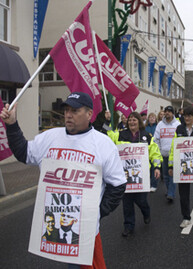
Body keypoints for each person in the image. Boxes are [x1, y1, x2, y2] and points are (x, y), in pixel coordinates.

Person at [1, 92, 127, 269]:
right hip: (55, 225)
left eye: (74, 110)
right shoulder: (50, 137)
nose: (68, 114)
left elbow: (118, 185)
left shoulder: (103, 144)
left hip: (85, 230)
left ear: (89, 114)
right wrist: (12, 125)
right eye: (67, 110)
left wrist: (97, 212)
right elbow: (23, 152)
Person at [116, 112, 162, 237]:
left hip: (142, 176)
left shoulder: (146, 136)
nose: (131, 122)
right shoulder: (120, 135)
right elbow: (110, 144)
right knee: (127, 203)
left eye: (134, 120)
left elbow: (155, 153)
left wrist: (157, 167)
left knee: (141, 200)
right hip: (125, 176)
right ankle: (128, 226)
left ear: (139, 122)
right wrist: (107, 121)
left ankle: (146, 213)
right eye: (130, 120)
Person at [154, 105, 181, 202]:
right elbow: (156, 139)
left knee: (172, 174)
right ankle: (169, 190)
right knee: (165, 175)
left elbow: (180, 138)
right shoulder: (160, 124)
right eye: (166, 111)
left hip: (173, 155)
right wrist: (158, 151)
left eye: (169, 111)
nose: (167, 113)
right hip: (163, 154)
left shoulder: (177, 124)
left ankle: (171, 193)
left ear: (173, 113)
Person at [145, 112, 158, 192]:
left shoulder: (157, 127)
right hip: (146, 149)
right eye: (150, 117)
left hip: (155, 149)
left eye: (153, 117)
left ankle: (154, 185)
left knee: (154, 167)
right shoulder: (145, 127)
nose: (152, 119)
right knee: (147, 168)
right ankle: (146, 184)